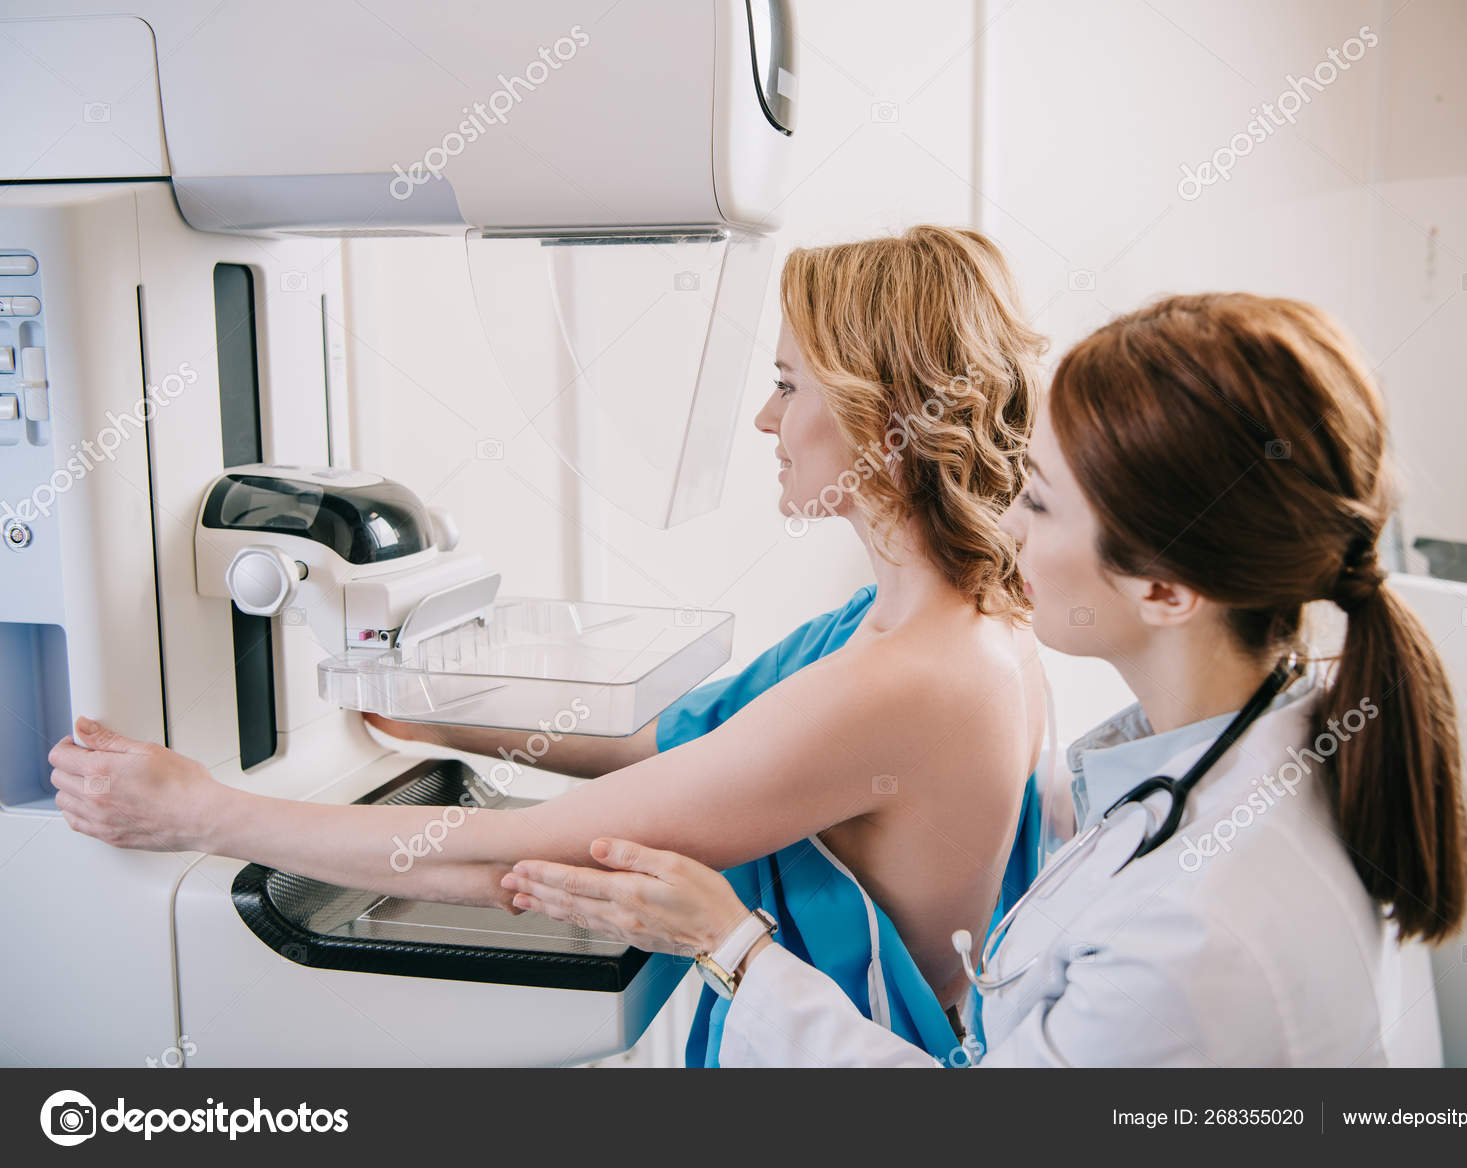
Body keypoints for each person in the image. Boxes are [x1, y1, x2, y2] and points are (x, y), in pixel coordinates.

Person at [48, 225, 1051, 1067]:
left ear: (880, 409)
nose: (763, 418)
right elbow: (677, 742)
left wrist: (200, 810)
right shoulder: (931, 620)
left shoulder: (908, 679)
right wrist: (429, 712)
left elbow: (511, 851)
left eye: (788, 385)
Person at [498, 292, 1467, 1067]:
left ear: (1165, 589)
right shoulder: (1263, 741)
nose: (1005, 526)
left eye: (1040, 504)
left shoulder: (1194, 929)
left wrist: (733, 947)